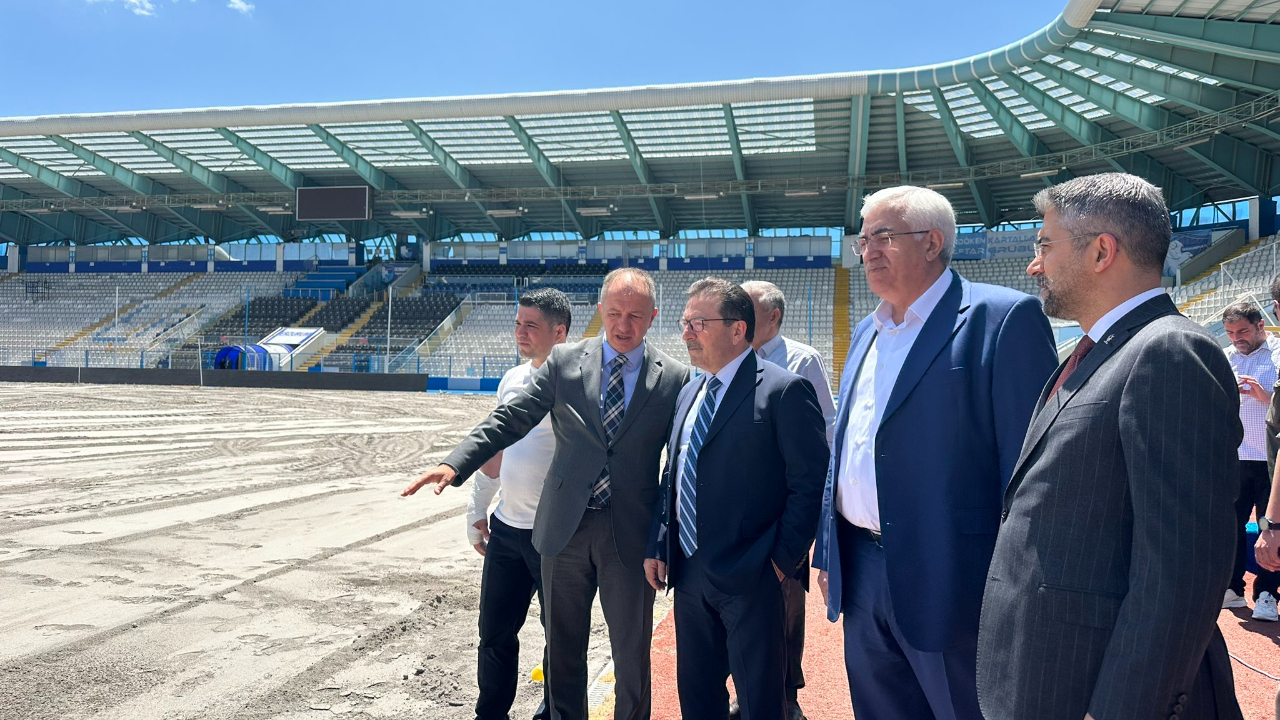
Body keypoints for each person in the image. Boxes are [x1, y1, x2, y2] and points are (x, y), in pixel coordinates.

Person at [976, 173, 1244, 720]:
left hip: (1097, 689)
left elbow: (1182, 570)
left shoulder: (1169, 351)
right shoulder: (1093, 351)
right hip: (1054, 675)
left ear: (1102, 251)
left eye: (1044, 245)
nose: (1034, 264)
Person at [812, 185, 1058, 720]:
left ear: (932, 242)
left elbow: (1033, 471)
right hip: (861, 572)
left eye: (883, 236)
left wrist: (1017, 589)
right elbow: (848, 451)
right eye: (863, 239)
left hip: (955, 576)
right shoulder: (865, 332)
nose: (867, 250)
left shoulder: (1003, 319)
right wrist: (828, 549)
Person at [404, 267, 689, 720]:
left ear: (653, 316)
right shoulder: (565, 363)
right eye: (614, 312)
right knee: (563, 652)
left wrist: (666, 537)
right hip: (563, 530)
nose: (623, 325)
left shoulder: (675, 378)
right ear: (600, 311)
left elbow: (678, 465)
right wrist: (454, 463)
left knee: (631, 655)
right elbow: (509, 419)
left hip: (630, 537)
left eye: (635, 315)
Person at [643, 278, 829, 720]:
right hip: (688, 574)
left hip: (753, 576)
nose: (686, 332)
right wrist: (658, 542)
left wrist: (781, 562)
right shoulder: (691, 391)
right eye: (685, 322)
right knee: (698, 697)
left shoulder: (784, 390)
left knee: (760, 702)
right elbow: (675, 475)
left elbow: (809, 483)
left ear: (738, 329)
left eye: (697, 323)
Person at [465, 288, 571, 720]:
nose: (520, 332)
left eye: (531, 325)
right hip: (507, 531)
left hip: (556, 536)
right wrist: (477, 510)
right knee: (494, 633)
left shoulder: (579, 383)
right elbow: (496, 449)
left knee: (559, 639)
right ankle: (490, 713)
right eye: (517, 322)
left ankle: (553, 714)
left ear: (559, 332)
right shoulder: (511, 379)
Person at [739, 280, 837, 720]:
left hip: (783, 510)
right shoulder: (729, 356)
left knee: (784, 607)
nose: (736, 315)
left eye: (747, 309)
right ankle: (746, 693)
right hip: (737, 509)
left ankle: (786, 695)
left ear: (773, 317)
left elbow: (826, 436)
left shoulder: (802, 361)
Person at [1221, 300, 1280, 621]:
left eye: (1242, 331)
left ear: (1261, 325)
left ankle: (1268, 593)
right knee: (1230, 527)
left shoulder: (1278, 354)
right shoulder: (1226, 358)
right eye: (1230, 332)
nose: (1236, 338)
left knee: (1269, 530)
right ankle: (1231, 589)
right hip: (1236, 459)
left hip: (1271, 461)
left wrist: (1266, 397)